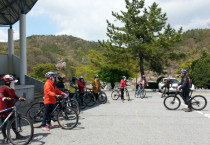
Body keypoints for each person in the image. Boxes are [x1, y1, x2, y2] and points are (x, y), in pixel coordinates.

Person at [0, 75, 26, 143]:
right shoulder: (3, 88)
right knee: (4, 124)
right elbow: (1, 94)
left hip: (11, 108)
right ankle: (5, 137)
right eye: (12, 82)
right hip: (4, 109)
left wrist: (20, 98)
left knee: (13, 123)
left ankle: (17, 134)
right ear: (8, 82)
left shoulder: (12, 89)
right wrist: (4, 98)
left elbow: (15, 96)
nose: (14, 83)